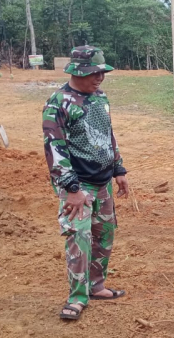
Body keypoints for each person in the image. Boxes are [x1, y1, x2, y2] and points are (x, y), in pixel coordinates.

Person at [42, 46, 130, 320]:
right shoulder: (58, 103)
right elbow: (54, 149)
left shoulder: (100, 98)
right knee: (78, 237)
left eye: (102, 72)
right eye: (94, 73)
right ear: (77, 72)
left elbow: (108, 134)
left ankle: (96, 286)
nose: (99, 78)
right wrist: (72, 189)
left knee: (104, 235)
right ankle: (77, 298)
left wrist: (119, 169)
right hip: (77, 185)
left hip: (103, 181)